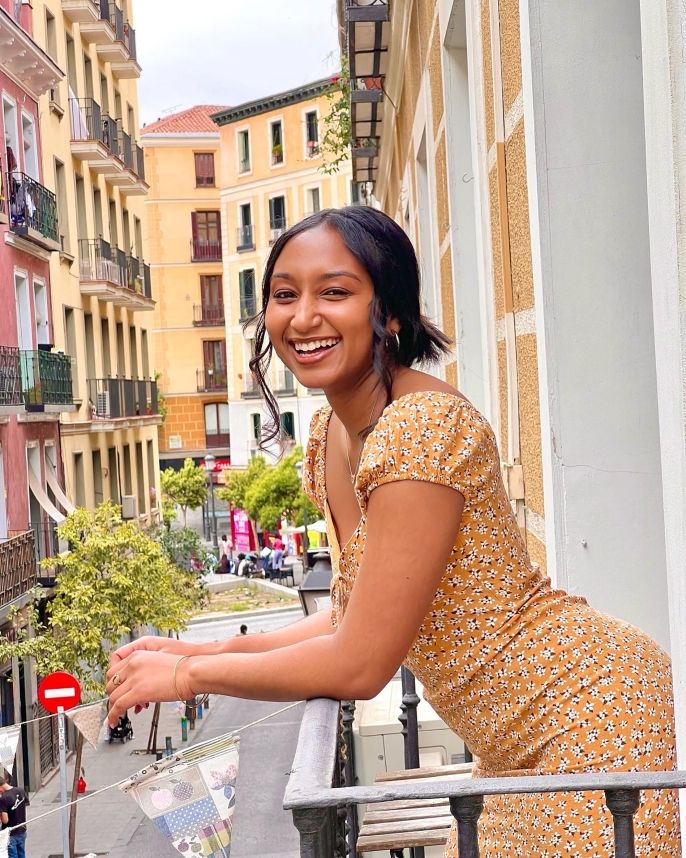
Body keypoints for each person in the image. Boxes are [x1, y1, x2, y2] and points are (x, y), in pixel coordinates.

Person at [106, 206, 680, 856]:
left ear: (393, 314)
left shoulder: (420, 429)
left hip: (582, 720)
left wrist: (187, 682)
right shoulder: (330, 437)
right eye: (284, 294)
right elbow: (352, 616)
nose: (303, 318)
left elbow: (360, 664)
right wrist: (197, 652)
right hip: (507, 748)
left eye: (335, 292)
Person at [0, 775, 30, 858]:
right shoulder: (20, 790)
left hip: (11, 834)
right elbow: (26, 804)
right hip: (22, 829)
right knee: (22, 854)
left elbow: (5, 820)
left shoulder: (3, 799)